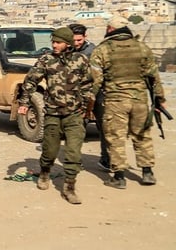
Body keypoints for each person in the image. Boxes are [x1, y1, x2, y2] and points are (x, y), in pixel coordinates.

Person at [17, 26, 93, 204]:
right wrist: (24, 103)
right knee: (50, 150)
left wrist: (83, 103)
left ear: (67, 43)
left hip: (74, 114)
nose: (54, 45)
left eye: (58, 42)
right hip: (52, 113)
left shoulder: (81, 60)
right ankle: (44, 172)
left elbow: (88, 83)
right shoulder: (46, 60)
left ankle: (70, 187)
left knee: (73, 152)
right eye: (53, 42)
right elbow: (31, 81)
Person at [89, 15, 167, 189]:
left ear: (110, 29)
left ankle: (119, 176)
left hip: (115, 101)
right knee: (142, 135)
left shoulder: (102, 50)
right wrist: (160, 100)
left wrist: (89, 101)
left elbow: (96, 81)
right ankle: (147, 172)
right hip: (139, 100)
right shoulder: (142, 48)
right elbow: (154, 77)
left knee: (116, 138)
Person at [69, 23, 108, 170]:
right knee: (76, 128)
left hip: (96, 94)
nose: (77, 43)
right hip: (77, 95)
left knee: (104, 127)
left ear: (85, 37)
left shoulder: (94, 51)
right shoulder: (67, 50)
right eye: (74, 40)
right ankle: (74, 160)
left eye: (80, 40)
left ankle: (106, 159)